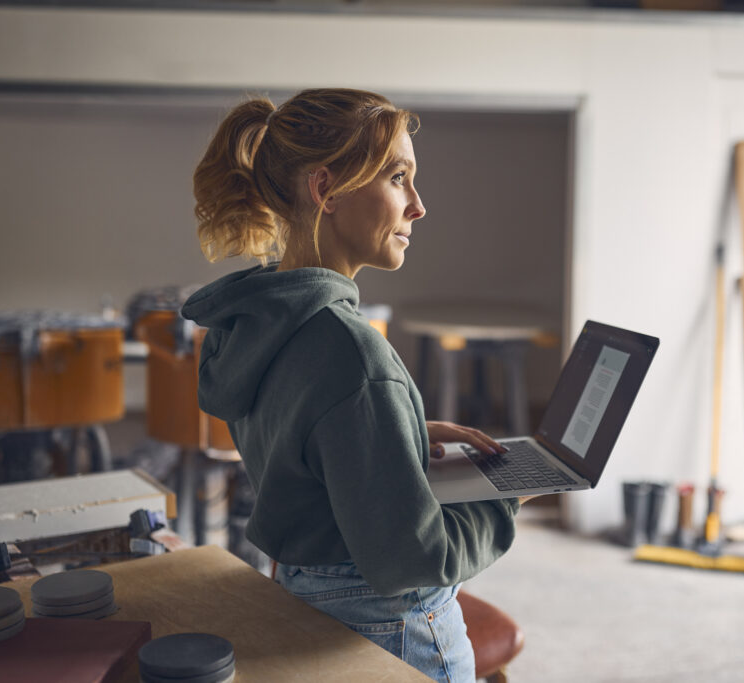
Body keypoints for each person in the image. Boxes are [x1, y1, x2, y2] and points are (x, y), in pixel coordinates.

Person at [181, 88, 523, 683]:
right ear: (326, 191)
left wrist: (396, 432)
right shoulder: (354, 355)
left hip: (301, 595)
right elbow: (416, 559)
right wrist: (508, 492)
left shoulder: (258, 323)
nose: (418, 206)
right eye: (399, 177)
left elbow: (306, 440)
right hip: (391, 627)